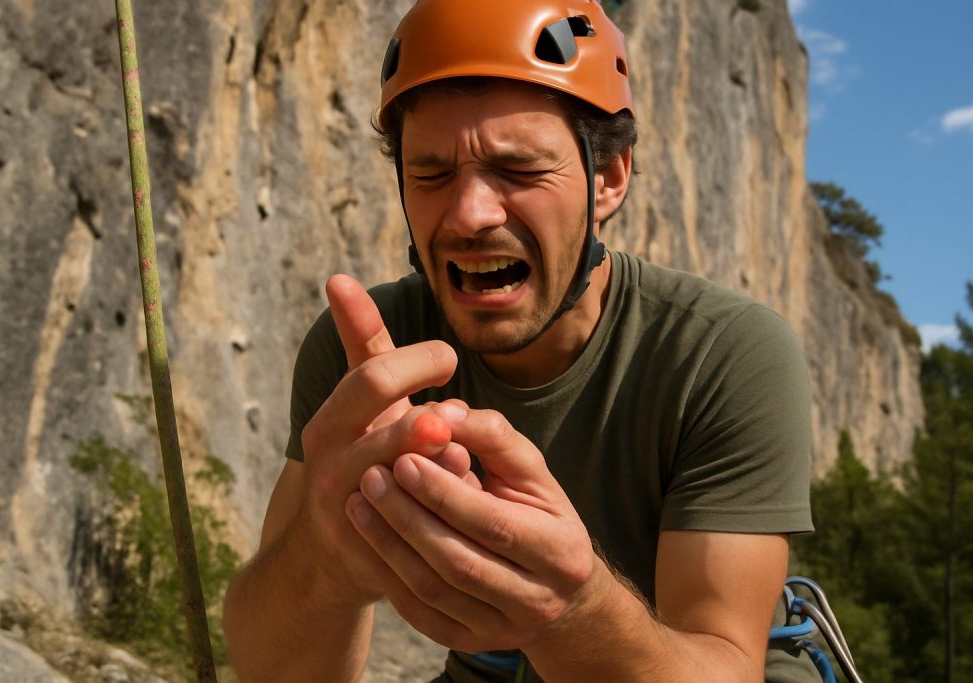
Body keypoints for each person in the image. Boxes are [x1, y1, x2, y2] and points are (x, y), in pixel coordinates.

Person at [223, 1, 815, 681]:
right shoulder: (369, 360)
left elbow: (726, 664)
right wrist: (327, 557)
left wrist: (571, 609)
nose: (470, 214)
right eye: (431, 173)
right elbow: (270, 671)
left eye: (520, 169)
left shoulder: (722, 355)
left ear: (609, 178)